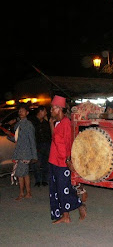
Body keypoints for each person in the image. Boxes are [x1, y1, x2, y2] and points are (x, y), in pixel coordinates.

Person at [48, 95, 86, 224]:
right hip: (53, 160)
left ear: (59, 109)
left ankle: (79, 205)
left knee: (64, 189)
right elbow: (55, 139)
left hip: (62, 161)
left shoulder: (66, 123)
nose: (51, 111)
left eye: (53, 108)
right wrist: (52, 125)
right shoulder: (57, 122)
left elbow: (66, 143)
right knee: (57, 189)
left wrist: (67, 160)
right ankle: (65, 215)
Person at [7, 103, 38, 200]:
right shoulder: (18, 124)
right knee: (24, 174)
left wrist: (34, 155)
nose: (20, 112)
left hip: (25, 153)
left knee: (20, 174)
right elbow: (16, 139)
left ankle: (22, 193)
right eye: (19, 111)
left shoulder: (28, 125)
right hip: (19, 152)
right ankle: (28, 193)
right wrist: (9, 135)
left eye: (23, 111)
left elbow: (32, 140)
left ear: (27, 113)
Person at [29, 106, 51, 187]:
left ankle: (45, 180)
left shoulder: (46, 121)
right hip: (37, 144)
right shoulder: (32, 121)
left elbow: (49, 132)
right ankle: (38, 180)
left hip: (46, 144)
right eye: (45, 111)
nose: (46, 113)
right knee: (36, 163)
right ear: (40, 111)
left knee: (46, 163)